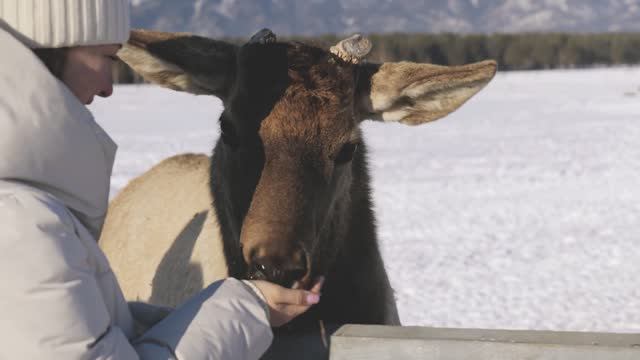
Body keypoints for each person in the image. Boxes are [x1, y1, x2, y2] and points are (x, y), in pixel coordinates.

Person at [0, 1, 322, 359]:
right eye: (106, 56)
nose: (109, 87)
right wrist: (245, 309)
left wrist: (166, 321)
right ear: (50, 52)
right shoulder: (21, 225)